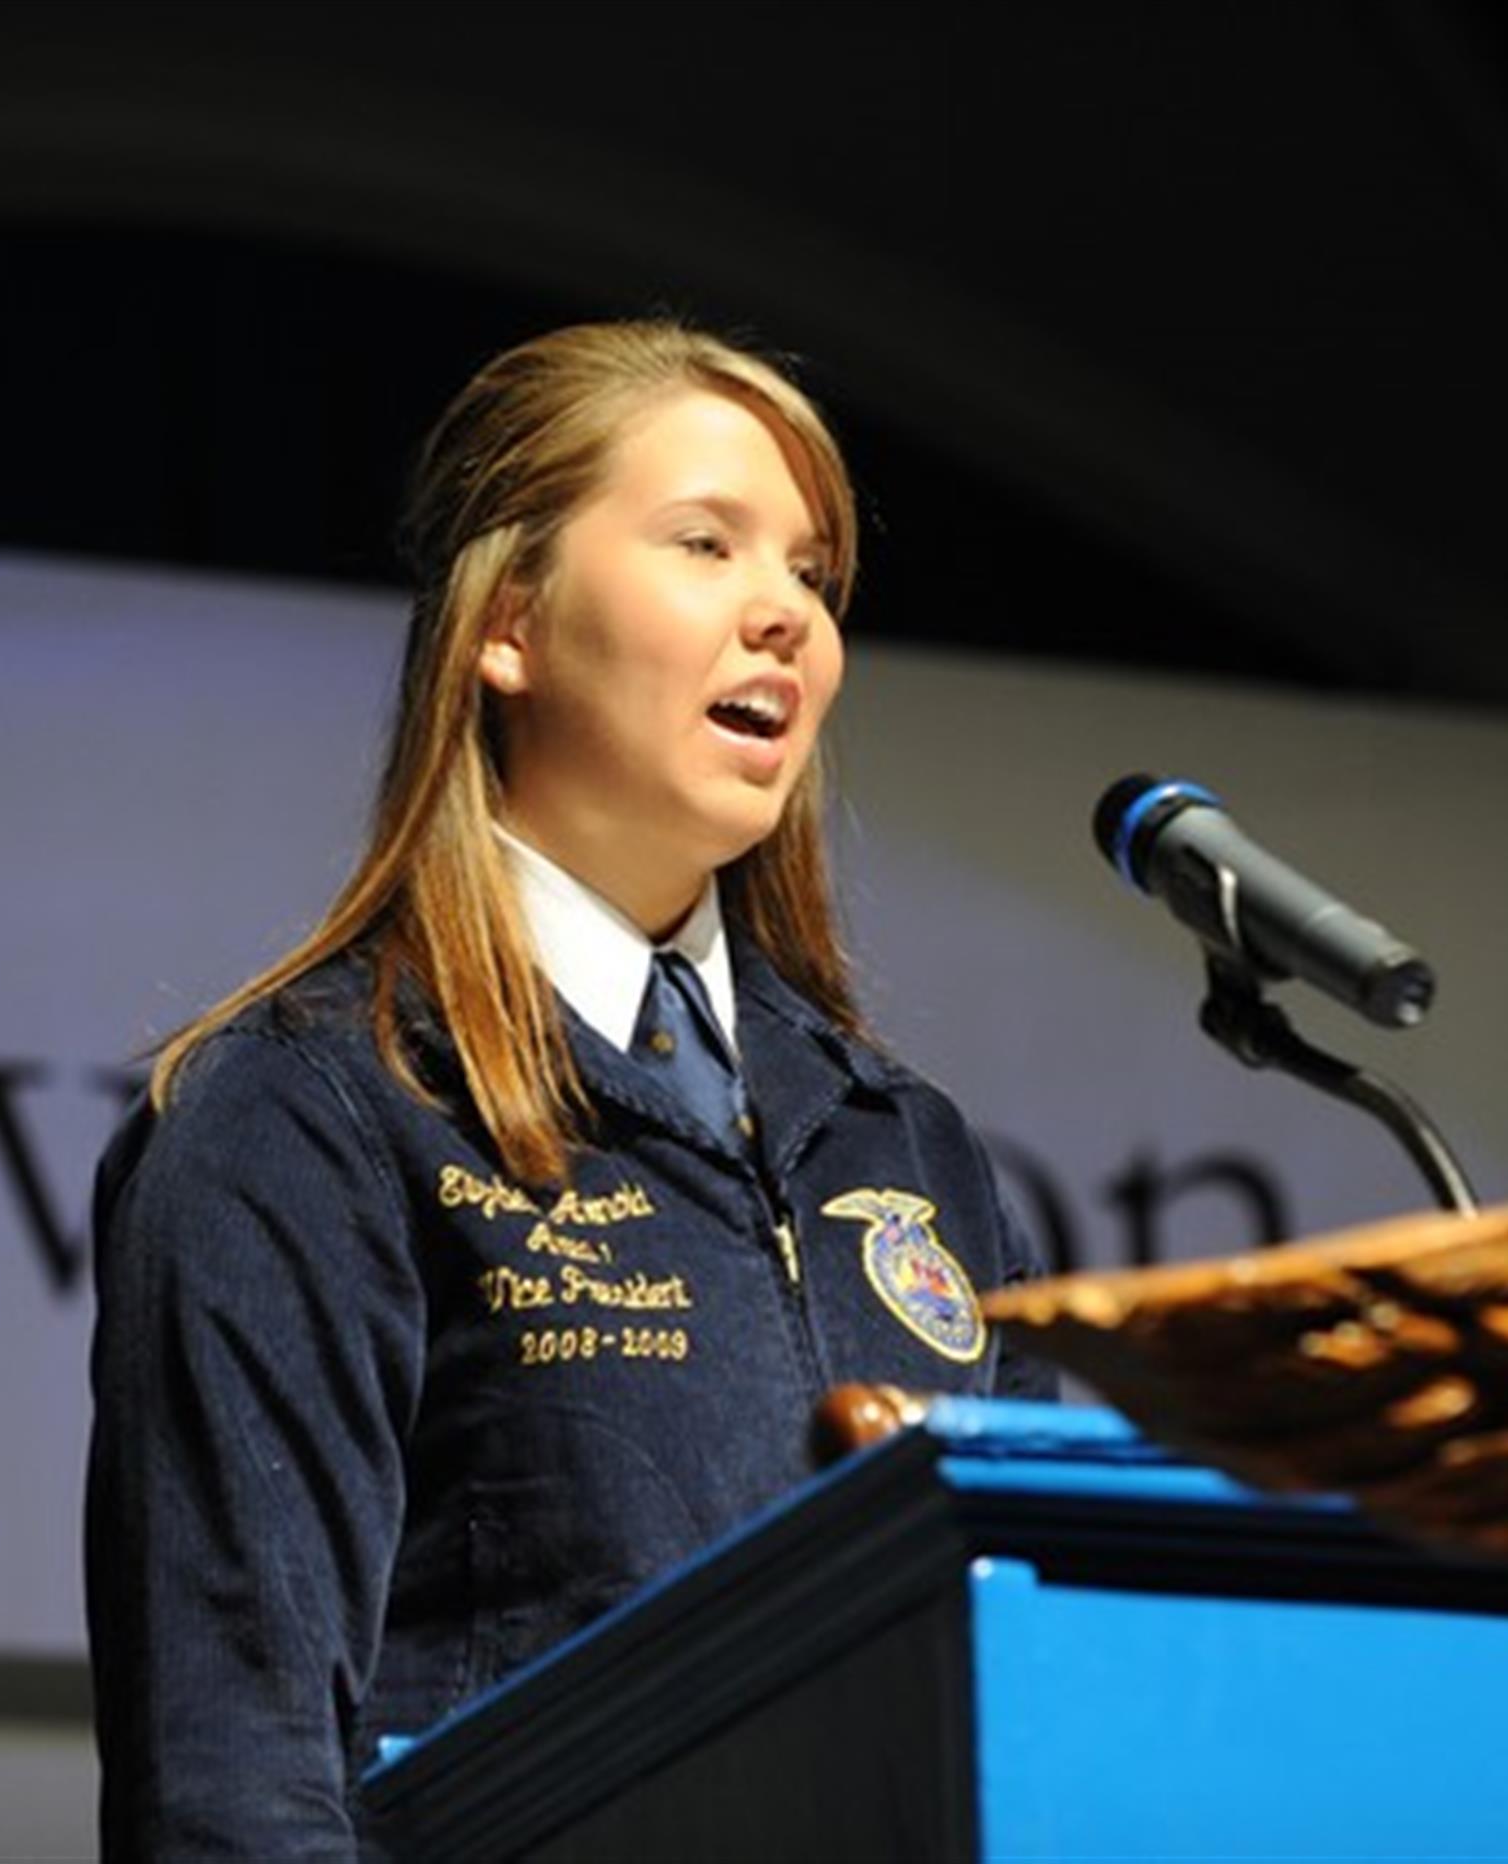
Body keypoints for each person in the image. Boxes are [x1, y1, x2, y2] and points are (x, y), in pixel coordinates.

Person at [84, 321, 1053, 1857]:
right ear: (509, 623)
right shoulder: (314, 1109)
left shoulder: (906, 1144)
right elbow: (233, 1778)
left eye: (813, 573)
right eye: (705, 544)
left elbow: (1036, 1692)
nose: (786, 615)